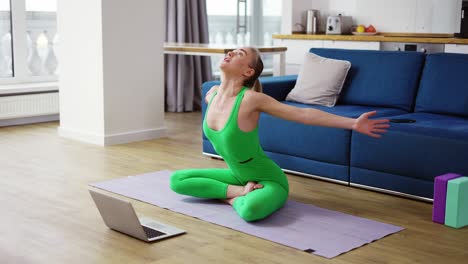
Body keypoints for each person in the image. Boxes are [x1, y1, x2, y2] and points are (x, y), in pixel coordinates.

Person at [170, 47, 390, 222]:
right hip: (237, 176)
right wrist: (239, 188)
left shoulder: (251, 100)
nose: (230, 53)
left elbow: (303, 115)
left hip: (268, 179)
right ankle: (239, 191)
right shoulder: (213, 94)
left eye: (239, 54)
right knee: (176, 180)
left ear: (248, 72)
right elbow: (214, 96)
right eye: (232, 50)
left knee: (251, 211)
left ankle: (235, 197)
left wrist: (353, 123)